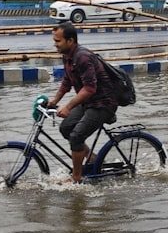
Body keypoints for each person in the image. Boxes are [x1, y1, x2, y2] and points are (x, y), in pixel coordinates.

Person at [47, 21, 118, 183]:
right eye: (54, 41)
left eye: (58, 41)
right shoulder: (68, 57)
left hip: (103, 103)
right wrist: (54, 101)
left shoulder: (83, 57)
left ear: (70, 41)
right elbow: (67, 81)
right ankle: (92, 158)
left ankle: (76, 178)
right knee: (66, 128)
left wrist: (68, 106)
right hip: (88, 103)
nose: (55, 45)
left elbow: (90, 88)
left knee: (77, 136)